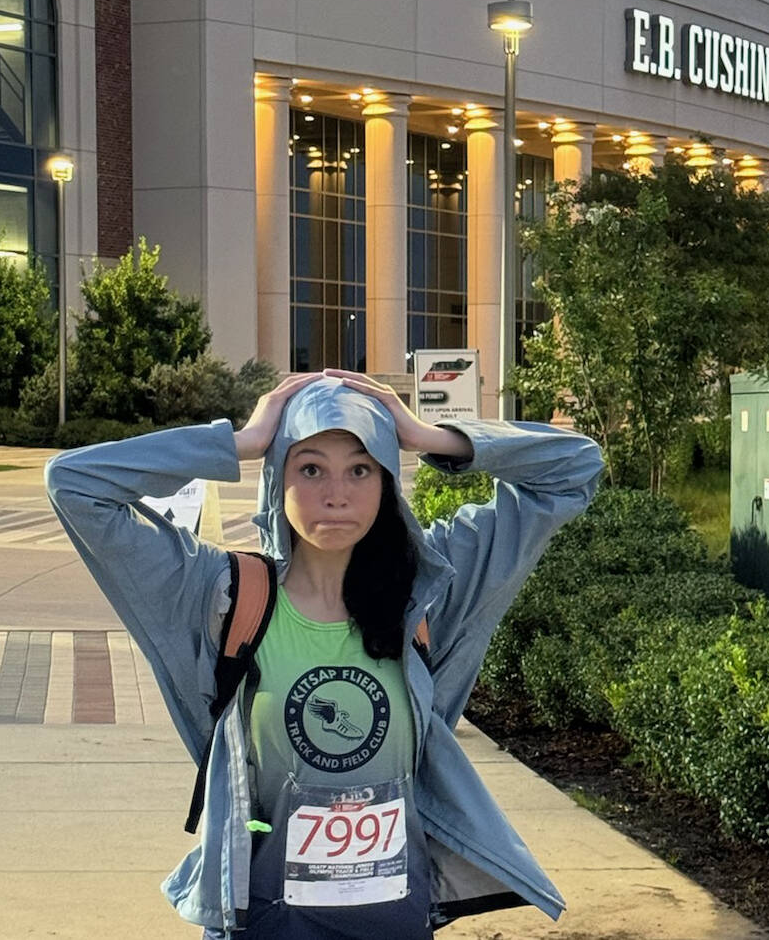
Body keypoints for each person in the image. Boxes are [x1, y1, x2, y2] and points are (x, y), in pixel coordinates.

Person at [45, 369, 604, 938]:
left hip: (396, 916)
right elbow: (74, 483)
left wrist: (428, 436)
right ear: (276, 475)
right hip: (263, 917)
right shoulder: (219, 596)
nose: (336, 494)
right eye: (309, 468)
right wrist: (239, 441)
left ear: (386, 481)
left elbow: (574, 468)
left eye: (361, 469)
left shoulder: (431, 586)